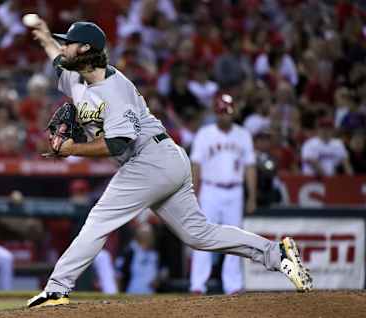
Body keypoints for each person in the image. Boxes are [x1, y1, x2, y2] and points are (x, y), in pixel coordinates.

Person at [27, 19, 312, 308]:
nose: (63, 47)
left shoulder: (114, 89)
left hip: (150, 159)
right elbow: (58, 61)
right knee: (199, 234)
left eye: (68, 42)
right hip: (163, 160)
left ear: (86, 48)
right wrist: (44, 38)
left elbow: (117, 143)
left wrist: (73, 148)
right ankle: (276, 253)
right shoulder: (78, 79)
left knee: (99, 221)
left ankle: (57, 288)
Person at [189, 94, 257, 295]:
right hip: (210, 190)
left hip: (235, 191)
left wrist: (252, 196)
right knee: (202, 237)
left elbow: (250, 167)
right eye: (220, 111)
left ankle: (232, 285)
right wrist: (193, 193)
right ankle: (197, 285)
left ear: (233, 112)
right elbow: (196, 166)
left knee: (234, 238)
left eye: (227, 111)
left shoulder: (243, 134)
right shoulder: (205, 134)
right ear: (215, 113)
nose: (224, 115)